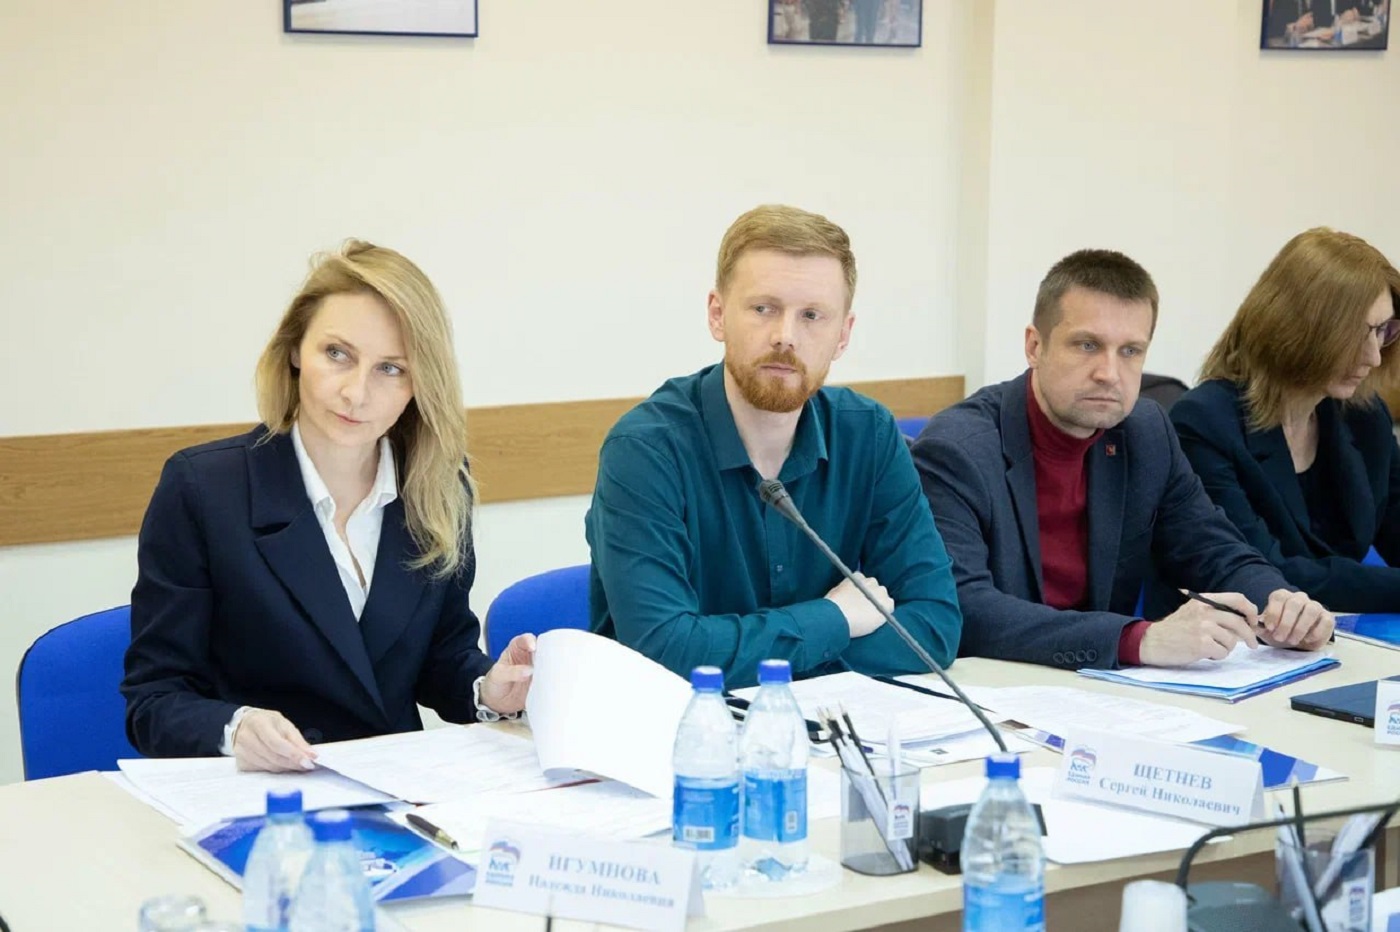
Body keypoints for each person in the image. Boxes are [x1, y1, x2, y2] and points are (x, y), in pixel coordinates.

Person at [122, 241, 535, 771]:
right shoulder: (204, 488)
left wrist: (487, 689)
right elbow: (154, 699)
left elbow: (440, 659)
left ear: (420, 383)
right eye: (337, 354)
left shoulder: (438, 486)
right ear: (295, 350)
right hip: (260, 793)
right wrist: (235, 727)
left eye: (391, 369)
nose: (356, 393)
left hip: (394, 788)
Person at [586, 204, 962, 688]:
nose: (785, 337)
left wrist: (755, 653)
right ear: (718, 315)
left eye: (812, 316)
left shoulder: (868, 434)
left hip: (832, 724)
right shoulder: (645, 451)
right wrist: (834, 620)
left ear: (843, 335)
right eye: (764, 309)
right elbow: (666, 653)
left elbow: (934, 627)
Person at [912, 249, 1334, 671]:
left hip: (1103, 690)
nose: (1109, 373)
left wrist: (1282, 604)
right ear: (1034, 346)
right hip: (991, 686)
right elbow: (965, 607)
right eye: (1087, 345)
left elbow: (1211, 547)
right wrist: (1138, 639)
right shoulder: (958, 449)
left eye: (1130, 351)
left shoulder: (1145, 432)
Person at [1168, 228, 1400, 613]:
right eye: (1356, 333)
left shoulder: (1364, 415)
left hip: (1337, 633)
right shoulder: (1204, 422)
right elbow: (1269, 572)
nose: (1374, 356)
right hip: (1235, 637)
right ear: (1296, 327)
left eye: (1382, 331)